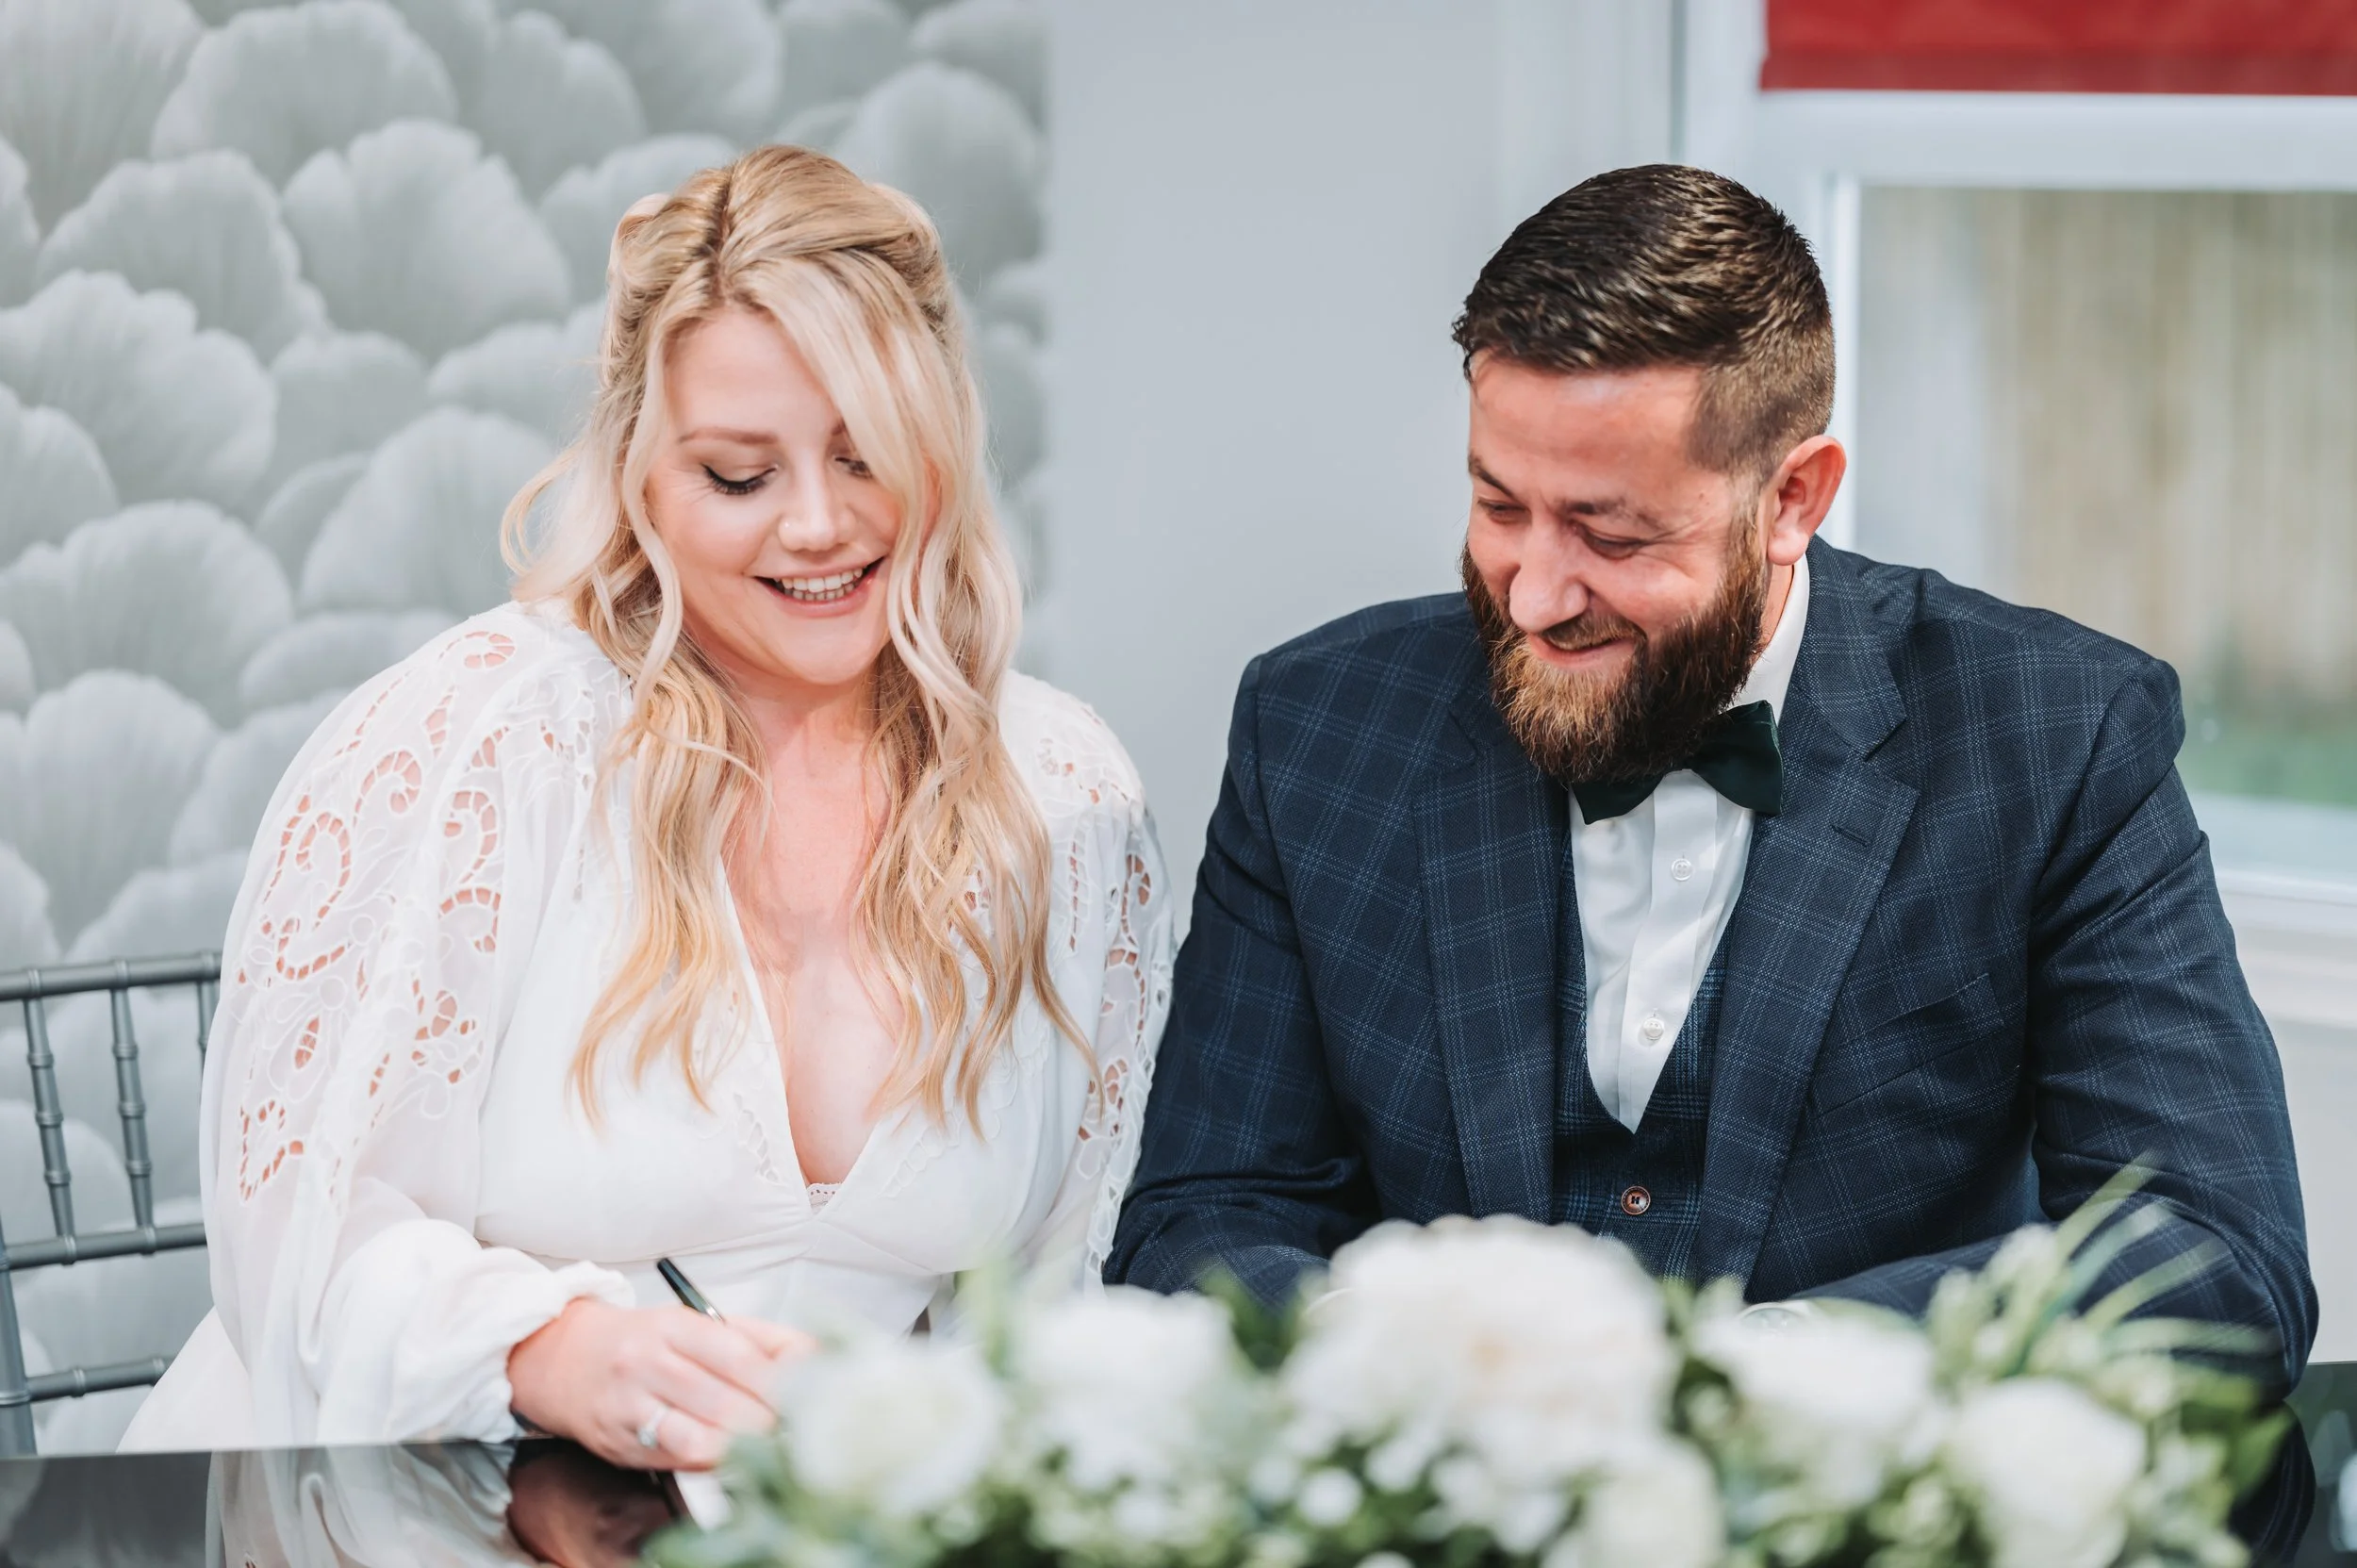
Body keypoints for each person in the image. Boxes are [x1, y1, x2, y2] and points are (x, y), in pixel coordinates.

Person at [1107, 164, 2315, 1388]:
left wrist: (1755, 1378)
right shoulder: (1316, 729)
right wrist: (1429, 1378)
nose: (1535, 597)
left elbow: (2212, 1259)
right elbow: (1199, 1222)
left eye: (1611, 532)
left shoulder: (2054, 737)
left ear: (1793, 497)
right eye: (1498, 507)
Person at [124, 145, 1171, 1468]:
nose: (818, 524)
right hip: (429, 1501)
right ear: (638, 473)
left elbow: (1070, 1288)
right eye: (739, 476)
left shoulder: (1062, 794)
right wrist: (545, 1351)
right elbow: (302, 1236)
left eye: (867, 456)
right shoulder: (478, 745)